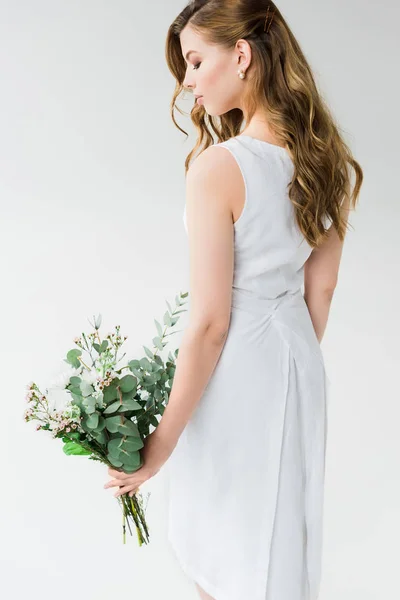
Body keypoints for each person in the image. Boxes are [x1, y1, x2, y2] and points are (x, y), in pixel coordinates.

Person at [104, 1, 363, 599]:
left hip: (232, 374)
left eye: (195, 61)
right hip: (297, 368)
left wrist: (158, 450)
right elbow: (318, 290)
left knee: (225, 553)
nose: (187, 81)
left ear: (241, 54)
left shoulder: (220, 167)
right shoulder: (325, 163)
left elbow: (210, 323)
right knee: (274, 549)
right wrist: (286, 367)